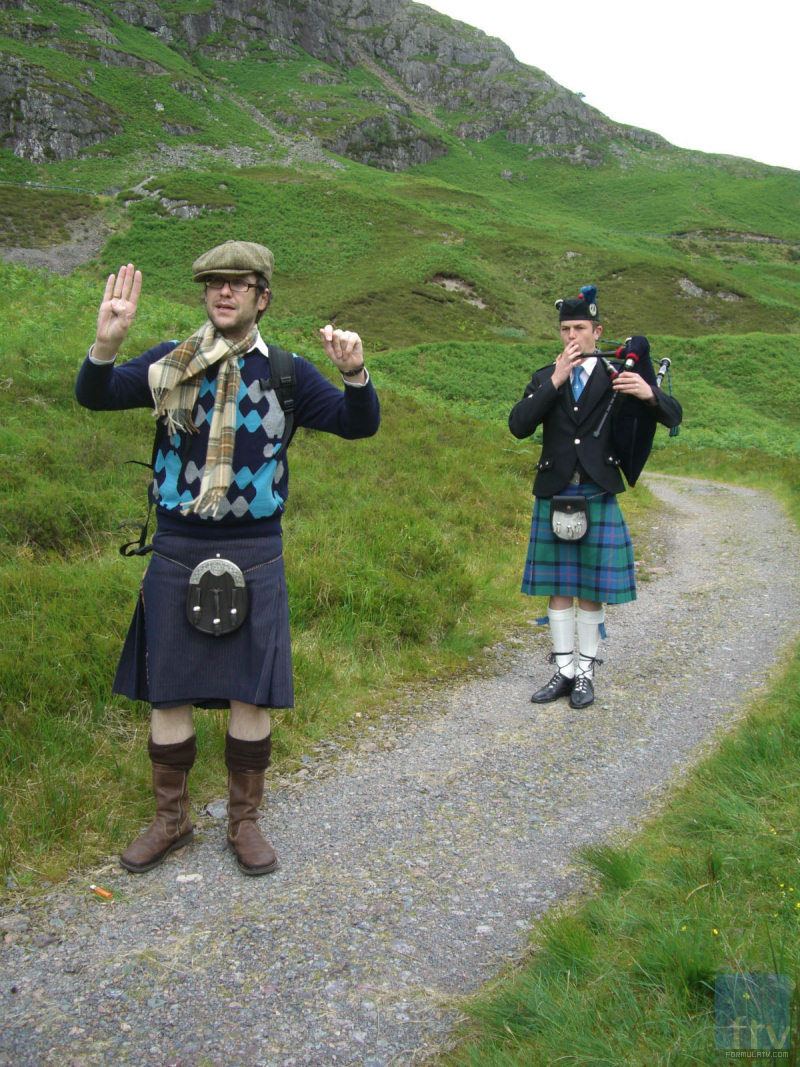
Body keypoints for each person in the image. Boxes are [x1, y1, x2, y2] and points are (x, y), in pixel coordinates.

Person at [75, 240, 380, 876]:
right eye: (214, 282)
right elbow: (95, 395)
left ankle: (244, 822)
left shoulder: (288, 373)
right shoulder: (170, 364)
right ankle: (172, 820)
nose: (224, 292)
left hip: (256, 547)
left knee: (251, 697)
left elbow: (359, 425)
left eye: (239, 284)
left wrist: (355, 376)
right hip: (179, 546)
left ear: (261, 297)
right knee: (169, 694)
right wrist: (106, 343)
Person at [508, 285, 681, 710]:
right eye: (565, 329)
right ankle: (563, 670)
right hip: (555, 490)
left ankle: (585, 673)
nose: (571, 337)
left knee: (589, 589)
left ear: (597, 331)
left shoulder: (617, 376)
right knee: (558, 587)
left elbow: (673, 415)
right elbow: (519, 425)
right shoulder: (544, 376)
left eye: (580, 328)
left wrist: (649, 393)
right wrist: (554, 381)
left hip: (597, 489)